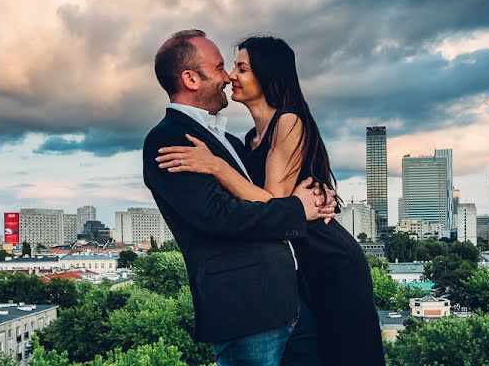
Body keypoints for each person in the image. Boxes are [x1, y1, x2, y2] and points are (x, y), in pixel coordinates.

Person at [156, 35, 386, 366]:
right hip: (297, 268)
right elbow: (269, 204)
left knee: (347, 353)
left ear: (268, 76)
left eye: (241, 68)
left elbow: (273, 202)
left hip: (327, 258)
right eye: (227, 67)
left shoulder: (289, 121)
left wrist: (216, 166)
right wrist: (305, 201)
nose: (231, 75)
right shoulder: (245, 141)